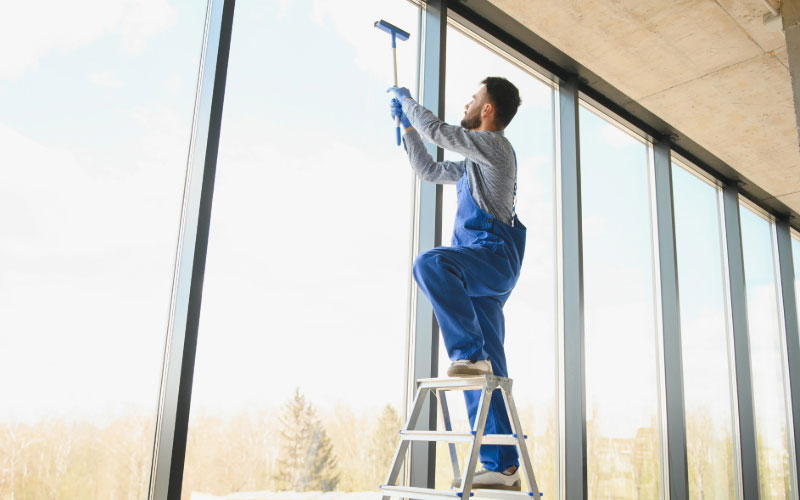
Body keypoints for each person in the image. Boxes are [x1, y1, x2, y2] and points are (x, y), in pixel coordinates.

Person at [387, 77, 525, 491]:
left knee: (430, 264)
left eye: (473, 97)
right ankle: (503, 466)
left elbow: (439, 132)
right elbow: (428, 169)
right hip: (480, 273)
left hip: (490, 258)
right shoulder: (471, 165)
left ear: (487, 110)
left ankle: (468, 353)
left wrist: (408, 101)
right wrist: (407, 129)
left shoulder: (495, 147)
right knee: (488, 373)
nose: (467, 102)